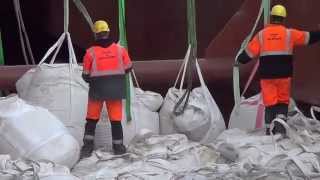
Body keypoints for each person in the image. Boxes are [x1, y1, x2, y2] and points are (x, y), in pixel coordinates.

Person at [236, 5, 320, 135]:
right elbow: (309, 38)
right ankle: (280, 131)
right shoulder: (289, 34)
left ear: (271, 18)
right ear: (283, 19)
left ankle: (269, 131)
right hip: (284, 75)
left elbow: (249, 54)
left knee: (270, 103)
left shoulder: (261, 35)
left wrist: (239, 60)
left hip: (267, 76)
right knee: (282, 102)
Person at [81, 20, 132, 158]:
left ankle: (87, 149)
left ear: (96, 35)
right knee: (115, 120)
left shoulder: (90, 53)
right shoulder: (121, 50)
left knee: (91, 120)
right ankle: (118, 148)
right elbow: (128, 68)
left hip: (97, 90)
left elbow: (85, 75)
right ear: (108, 32)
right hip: (116, 90)